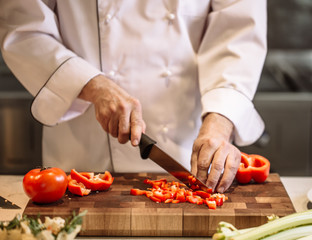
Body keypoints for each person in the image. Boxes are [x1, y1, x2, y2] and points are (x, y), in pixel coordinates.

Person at [0, 0, 267, 193]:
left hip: (188, 142)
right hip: (84, 151)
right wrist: (89, 83)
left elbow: (239, 34)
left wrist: (220, 119)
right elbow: (23, 29)